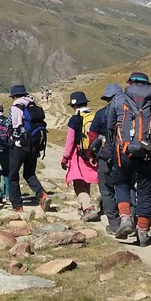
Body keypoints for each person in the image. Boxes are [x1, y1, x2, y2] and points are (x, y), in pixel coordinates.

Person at [107, 71, 151, 245]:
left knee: (121, 183)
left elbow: (109, 125)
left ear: (130, 82)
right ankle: (143, 232)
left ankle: (126, 219)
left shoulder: (119, 98)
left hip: (123, 150)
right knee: (145, 188)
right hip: (146, 152)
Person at [8, 84, 50, 213]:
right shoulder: (33, 105)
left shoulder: (17, 106)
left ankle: (17, 206)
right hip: (34, 145)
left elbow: (15, 126)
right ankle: (42, 194)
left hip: (20, 145)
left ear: (14, 96)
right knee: (29, 173)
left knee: (13, 175)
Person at [88, 83, 123, 234]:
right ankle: (130, 219)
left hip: (105, 155)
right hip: (126, 154)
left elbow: (92, 135)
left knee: (107, 189)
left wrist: (91, 154)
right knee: (126, 187)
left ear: (107, 98)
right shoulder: (129, 111)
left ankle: (114, 224)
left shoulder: (101, 113)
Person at [60, 91, 100, 221]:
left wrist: (65, 156)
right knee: (87, 180)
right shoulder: (94, 116)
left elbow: (70, 140)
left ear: (74, 105)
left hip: (79, 154)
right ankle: (84, 206)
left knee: (78, 181)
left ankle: (88, 208)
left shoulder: (75, 119)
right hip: (93, 153)